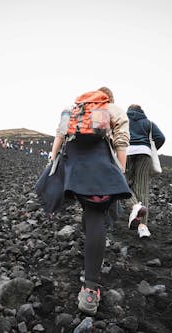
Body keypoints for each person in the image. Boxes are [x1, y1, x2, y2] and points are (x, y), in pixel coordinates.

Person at [35, 87, 131, 315]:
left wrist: (53, 159)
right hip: (98, 161)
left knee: (89, 208)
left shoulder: (74, 108)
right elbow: (121, 142)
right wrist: (120, 171)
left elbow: (59, 134)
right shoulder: (113, 109)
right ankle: (90, 290)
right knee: (97, 214)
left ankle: (90, 242)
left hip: (73, 161)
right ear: (109, 98)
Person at [124, 104, 165, 238]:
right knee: (141, 188)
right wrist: (149, 147)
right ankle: (143, 227)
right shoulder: (149, 123)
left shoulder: (124, 120)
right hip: (144, 154)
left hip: (127, 153)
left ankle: (134, 205)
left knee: (123, 185)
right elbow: (161, 138)